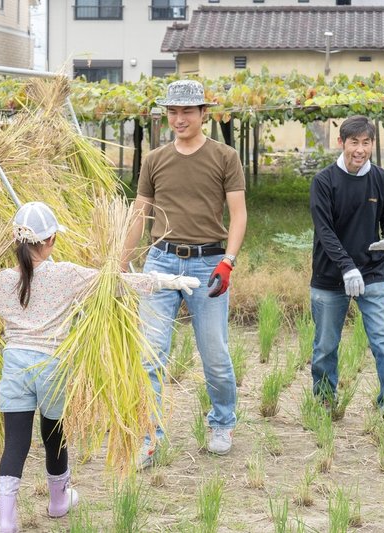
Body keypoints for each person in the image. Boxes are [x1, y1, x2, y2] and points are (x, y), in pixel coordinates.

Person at [0, 201, 200, 533]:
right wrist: (168, 282)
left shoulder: (1, 281)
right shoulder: (66, 275)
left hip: (16, 371)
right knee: (54, 438)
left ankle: (6, 519)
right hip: (53, 369)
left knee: (15, 445)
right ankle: (58, 501)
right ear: (50, 241)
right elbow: (117, 282)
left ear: (15, 240)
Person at [121, 79, 247, 466]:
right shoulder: (155, 159)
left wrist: (228, 261)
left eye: (186, 112)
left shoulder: (224, 157)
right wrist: (119, 261)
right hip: (160, 261)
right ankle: (149, 436)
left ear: (203, 114)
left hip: (208, 263)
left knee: (214, 354)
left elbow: (238, 214)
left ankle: (222, 421)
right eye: (172, 112)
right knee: (150, 355)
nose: (179, 119)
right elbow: (140, 212)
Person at [309, 115, 384, 421]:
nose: (360, 149)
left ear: (373, 145)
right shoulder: (324, 182)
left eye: (366, 143)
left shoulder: (382, 179)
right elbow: (325, 231)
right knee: (325, 345)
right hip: (329, 276)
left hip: (372, 272)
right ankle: (325, 399)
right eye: (354, 142)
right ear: (341, 143)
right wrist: (346, 267)